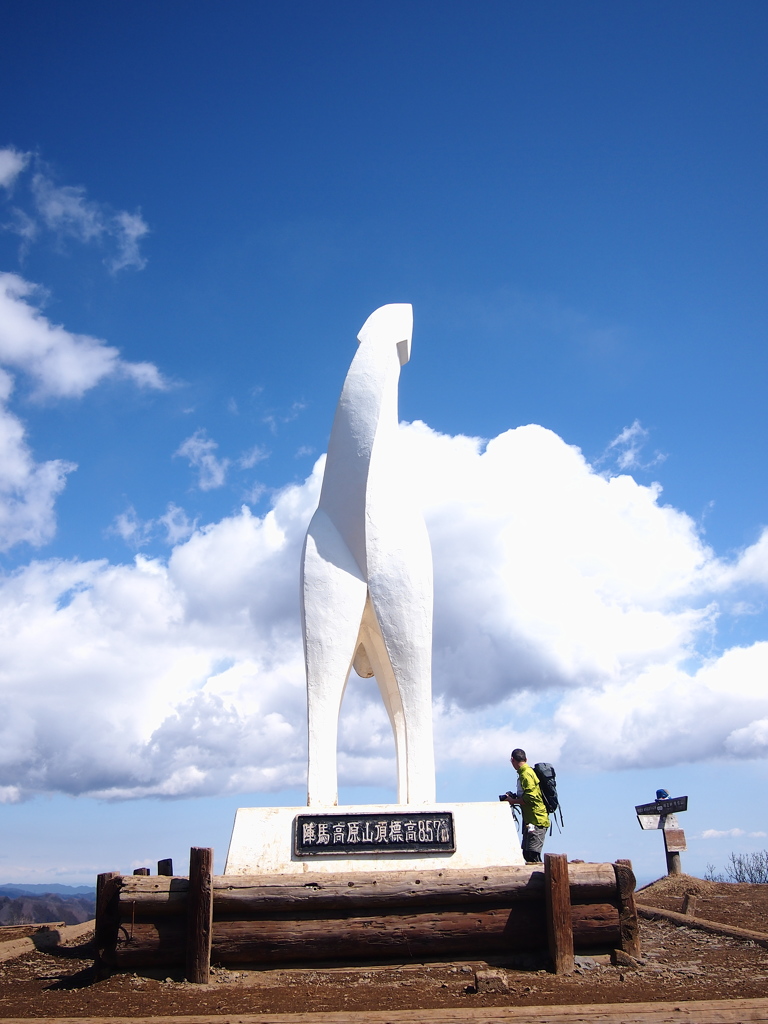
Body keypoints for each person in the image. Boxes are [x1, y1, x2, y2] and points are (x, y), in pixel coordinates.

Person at [504, 748, 550, 863]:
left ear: (512, 760)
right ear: (526, 759)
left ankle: (540, 879)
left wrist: (512, 801)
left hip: (536, 820)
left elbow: (531, 798)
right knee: (527, 854)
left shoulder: (525, 774)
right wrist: (515, 798)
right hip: (531, 820)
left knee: (532, 855)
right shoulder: (525, 773)